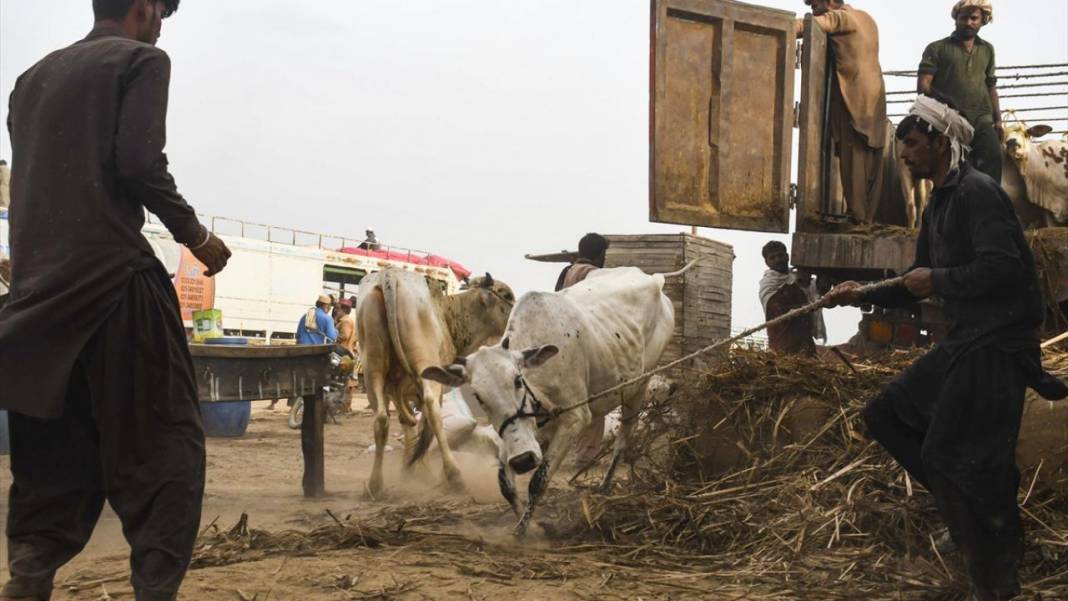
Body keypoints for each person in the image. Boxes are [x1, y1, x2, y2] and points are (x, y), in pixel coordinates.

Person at [0, 1, 233, 600]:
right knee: (169, 458)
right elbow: (138, 164)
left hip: (36, 309)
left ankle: (27, 585)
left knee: (50, 471)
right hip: (114, 291)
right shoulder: (140, 60)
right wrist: (197, 236)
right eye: (162, 10)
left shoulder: (31, 78)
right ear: (143, 6)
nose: (162, 23)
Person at [823, 94, 1067, 601]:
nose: (905, 155)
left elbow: (1002, 269)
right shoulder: (940, 202)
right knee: (886, 415)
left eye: (911, 144)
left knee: (949, 454)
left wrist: (937, 277)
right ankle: (976, 522)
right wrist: (857, 293)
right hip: (966, 339)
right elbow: (918, 281)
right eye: (903, 147)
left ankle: (994, 579)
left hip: (999, 342)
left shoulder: (978, 192)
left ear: (938, 141)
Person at [795, 1, 889, 224]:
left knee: (853, 159)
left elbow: (805, 27)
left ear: (830, 2)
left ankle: (858, 218)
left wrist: (772, 25)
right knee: (871, 164)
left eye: (816, 5)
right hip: (874, 99)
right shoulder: (867, 18)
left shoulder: (840, 18)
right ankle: (866, 217)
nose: (813, 11)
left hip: (854, 99)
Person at [917, 0, 1003, 182]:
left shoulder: (987, 49)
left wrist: (998, 120)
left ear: (983, 20)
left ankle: (989, 207)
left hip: (981, 119)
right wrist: (948, 102)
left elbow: (991, 85)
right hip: (948, 120)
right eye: (964, 18)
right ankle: (948, 208)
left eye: (974, 18)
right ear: (956, 19)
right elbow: (923, 87)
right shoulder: (937, 48)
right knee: (951, 171)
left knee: (993, 158)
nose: (969, 22)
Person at [758, 241, 826, 356]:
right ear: (767, 262)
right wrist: (798, 284)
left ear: (787, 256)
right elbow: (776, 307)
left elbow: (817, 295)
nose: (777, 260)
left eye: (780, 255)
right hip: (782, 343)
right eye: (772, 257)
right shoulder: (767, 284)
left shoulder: (798, 277)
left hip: (805, 342)